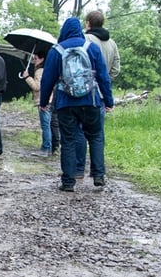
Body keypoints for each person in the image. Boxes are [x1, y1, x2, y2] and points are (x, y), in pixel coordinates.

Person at [39, 17, 114, 192]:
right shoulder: (92, 48)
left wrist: (44, 102)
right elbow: (103, 77)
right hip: (91, 100)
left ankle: (68, 182)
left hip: (66, 102)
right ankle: (98, 175)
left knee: (69, 140)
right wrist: (109, 101)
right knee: (96, 136)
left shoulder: (56, 51)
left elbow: (47, 80)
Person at [74, 10, 120, 178]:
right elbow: (116, 69)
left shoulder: (85, 41)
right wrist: (105, 82)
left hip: (83, 93)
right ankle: (98, 172)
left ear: (88, 23)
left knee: (79, 130)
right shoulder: (112, 44)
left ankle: (79, 169)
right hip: (101, 95)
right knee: (97, 134)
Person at [21, 50, 53, 156]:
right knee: (48, 125)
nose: (34, 60)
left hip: (43, 101)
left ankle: (46, 148)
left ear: (42, 59)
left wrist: (27, 77)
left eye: (36, 58)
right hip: (49, 100)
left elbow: (37, 87)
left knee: (45, 126)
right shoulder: (47, 69)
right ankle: (49, 147)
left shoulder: (40, 71)